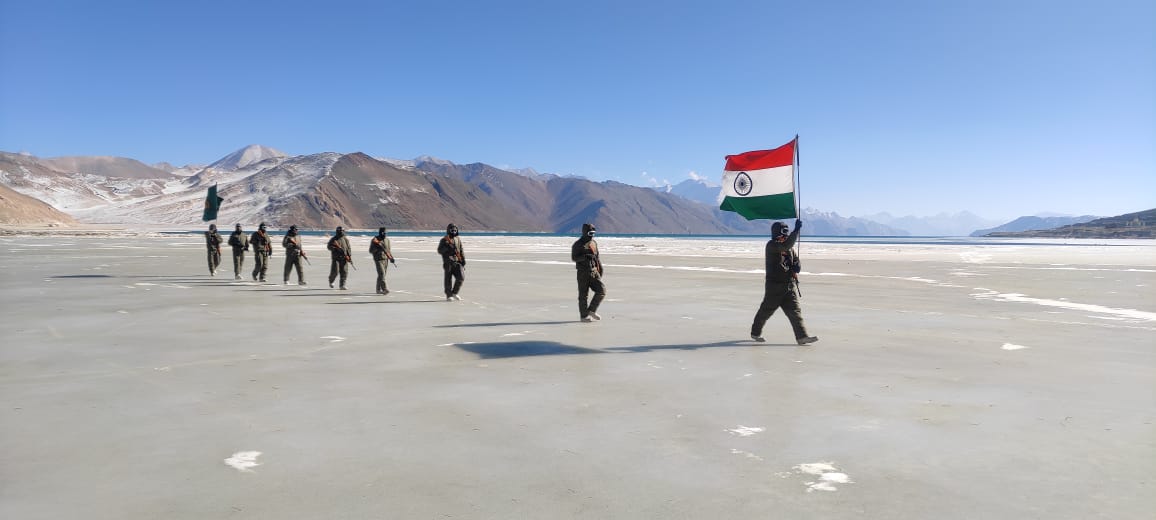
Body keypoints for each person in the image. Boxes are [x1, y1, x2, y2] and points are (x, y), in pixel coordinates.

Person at [750, 220, 818, 345]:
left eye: (787, 232)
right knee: (765, 311)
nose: (785, 235)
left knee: (795, 312)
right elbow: (785, 245)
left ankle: (802, 337)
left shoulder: (789, 249)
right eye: (784, 232)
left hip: (788, 286)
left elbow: (795, 259)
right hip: (774, 287)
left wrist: (797, 266)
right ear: (776, 233)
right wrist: (796, 231)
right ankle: (755, 333)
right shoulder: (772, 245)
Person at [570, 223, 606, 322]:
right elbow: (574, 258)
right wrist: (584, 257)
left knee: (601, 291)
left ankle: (591, 310)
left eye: (594, 233)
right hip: (583, 273)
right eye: (590, 233)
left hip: (594, 272)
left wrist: (600, 269)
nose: (592, 235)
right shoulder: (578, 244)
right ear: (585, 232)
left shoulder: (594, 243)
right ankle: (584, 316)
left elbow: (597, 258)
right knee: (583, 295)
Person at [436, 223, 465, 301]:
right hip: (448, 263)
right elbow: (439, 250)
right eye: (452, 230)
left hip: (457, 262)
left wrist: (463, 261)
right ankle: (449, 295)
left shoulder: (458, 239)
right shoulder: (444, 240)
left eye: (455, 230)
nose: (454, 231)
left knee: (461, 277)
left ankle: (454, 293)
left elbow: (461, 250)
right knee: (448, 279)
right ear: (449, 230)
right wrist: (447, 249)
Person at [369, 227, 396, 294]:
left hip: (385, 260)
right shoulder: (375, 240)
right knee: (382, 274)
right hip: (378, 259)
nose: (385, 234)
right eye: (384, 233)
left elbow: (388, 251)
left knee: (381, 275)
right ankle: (384, 289)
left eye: (386, 233)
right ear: (380, 233)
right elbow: (371, 251)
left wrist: (391, 258)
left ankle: (378, 290)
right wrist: (377, 248)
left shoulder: (387, 240)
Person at [326, 226, 352, 290]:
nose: (342, 232)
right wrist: (336, 248)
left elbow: (348, 248)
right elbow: (329, 247)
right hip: (336, 258)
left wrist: (349, 256)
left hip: (344, 258)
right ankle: (331, 281)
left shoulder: (346, 239)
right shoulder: (333, 239)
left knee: (344, 272)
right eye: (340, 231)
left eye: (343, 231)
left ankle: (342, 285)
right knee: (335, 271)